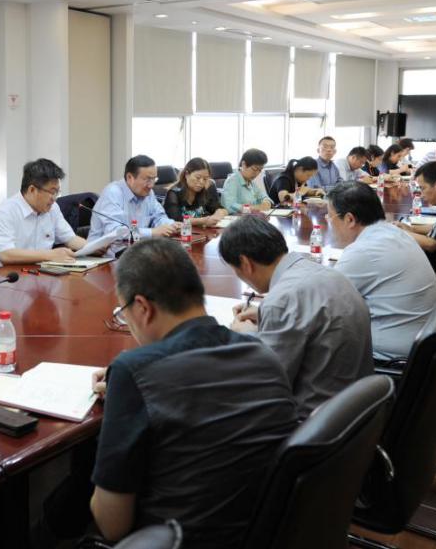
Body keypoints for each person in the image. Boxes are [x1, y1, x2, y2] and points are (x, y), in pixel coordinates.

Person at [88, 239, 298, 547]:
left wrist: (130, 390)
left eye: (124, 312)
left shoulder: (133, 371)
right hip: (268, 532)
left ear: (143, 307)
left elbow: (113, 526)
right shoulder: (262, 353)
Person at [218, 217, 373, 419]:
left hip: (314, 422)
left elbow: (265, 384)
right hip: (357, 410)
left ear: (246, 264)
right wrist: (264, 315)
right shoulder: (324, 272)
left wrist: (248, 336)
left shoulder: (282, 300)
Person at [326, 182, 436, 361]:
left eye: (330, 217)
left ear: (349, 219)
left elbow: (325, 307)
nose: (329, 223)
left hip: (391, 358)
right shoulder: (395, 232)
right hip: (424, 343)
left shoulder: (363, 251)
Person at [0, 158, 88, 270]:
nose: (54, 198)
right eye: (52, 192)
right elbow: (5, 254)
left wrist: (93, 247)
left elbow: (70, 239)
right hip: (4, 275)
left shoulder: (52, 208)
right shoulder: (6, 211)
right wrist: (50, 255)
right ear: (32, 190)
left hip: (38, 272)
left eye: (57, 192)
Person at [162, 157, 228, 226]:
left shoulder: (207, 187)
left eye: (205, 179)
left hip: (203, 230)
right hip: (182, 231)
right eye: (198, 178)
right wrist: (202, 221)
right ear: (187, 174)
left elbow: (220, 209)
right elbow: (175, 219)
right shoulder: (173, 193)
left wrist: (217, 215)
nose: (201, 182)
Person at [220, 149, 273, 214]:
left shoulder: (251, 182)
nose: (257, 173)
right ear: (244, 164)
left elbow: (263, 196)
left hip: (251, 217)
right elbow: (229, 207)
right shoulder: (232, 181)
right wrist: (254, 208)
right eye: (255, 169)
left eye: (260, 170)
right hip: (236, 219)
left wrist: (266, 202)